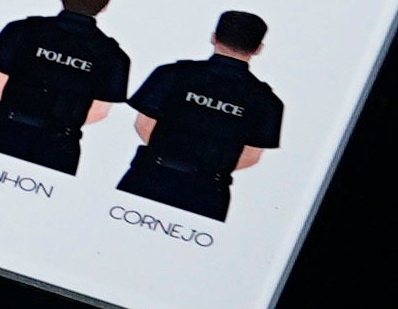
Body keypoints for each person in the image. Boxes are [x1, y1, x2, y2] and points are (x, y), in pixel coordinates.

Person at [116, 13, 287, 222]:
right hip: (208, 192)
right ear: (259, 49)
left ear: (214, 37)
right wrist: (207, 166)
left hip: (150, 175)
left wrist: (172, 154)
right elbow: (251, 156)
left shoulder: (172, 73)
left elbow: (144, 125)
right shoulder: (267, 101)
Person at [0, 0, 133, 172]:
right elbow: (99, 111)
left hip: (4, 129)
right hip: (59, 144)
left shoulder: (23, 30)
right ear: (106, 5)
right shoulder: (113, 56)